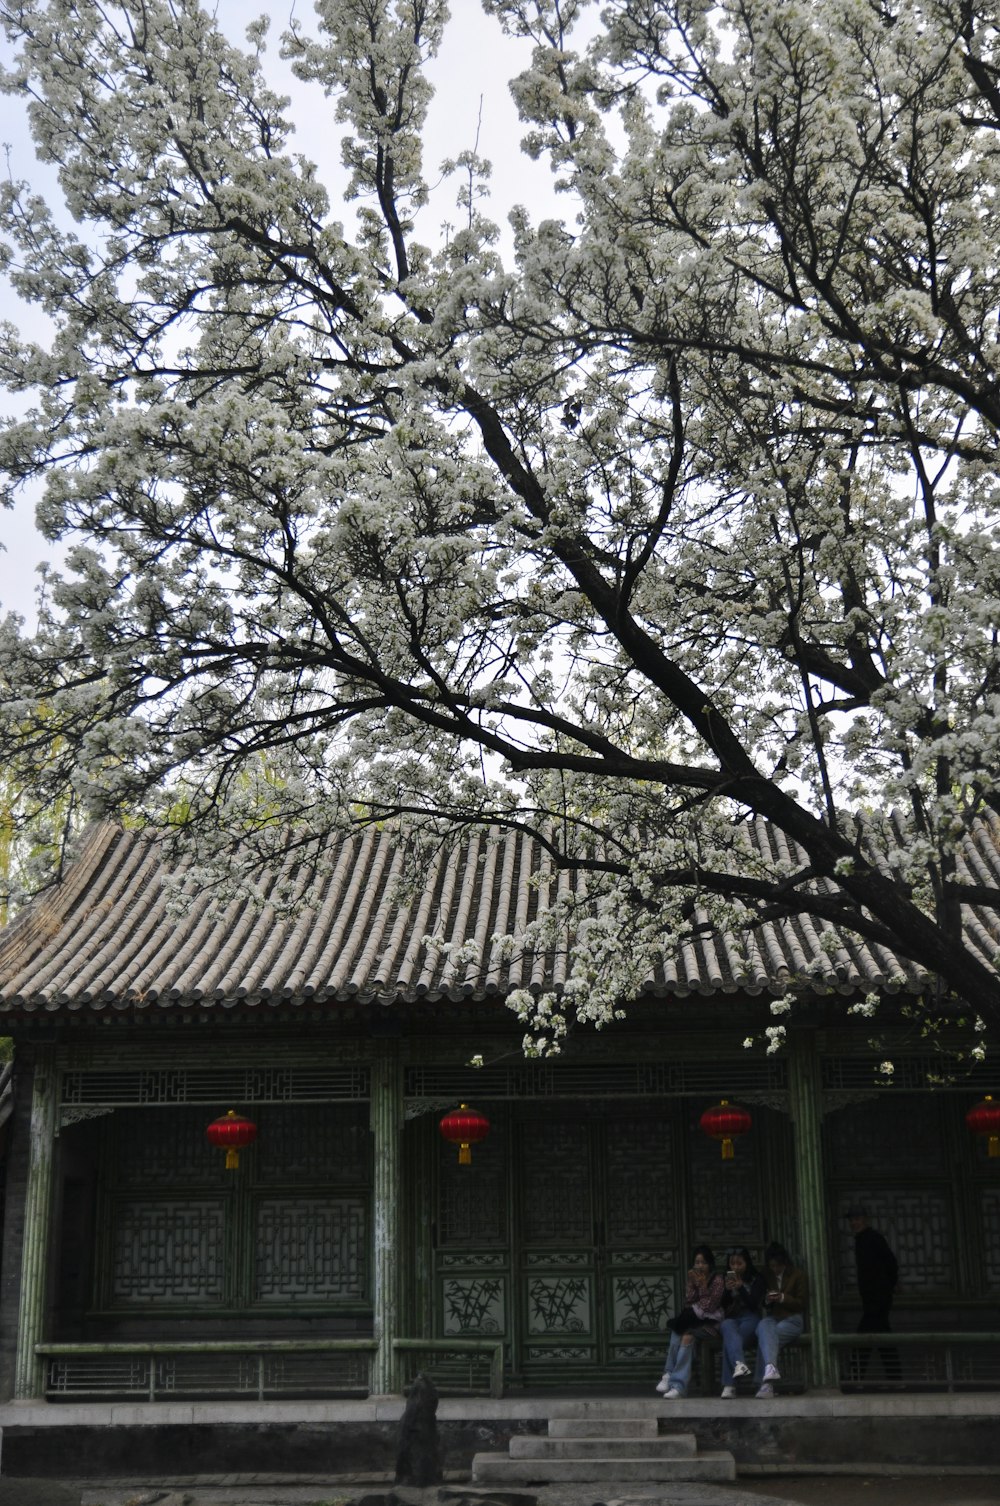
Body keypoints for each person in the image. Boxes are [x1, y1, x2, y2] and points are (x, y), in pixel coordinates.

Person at [655, 1244, 726, 1398]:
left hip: (711, 1324)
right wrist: (693, 1284)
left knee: (686, 1336)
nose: (700, 1266)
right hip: (695, 1320)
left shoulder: (718, 1280)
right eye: (697, 1262)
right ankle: (668, 1375)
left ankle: (678, 1385)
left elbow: (709, 1306)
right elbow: (689, 1301)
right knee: (676, 1331)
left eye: (703, 1263)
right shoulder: (693, 1278)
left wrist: (702, 1285)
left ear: (710, 1264)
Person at [847, 1204, 901, 1384]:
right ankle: (894, 1379)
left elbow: (890, 1263)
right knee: (882, 1338)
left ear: (865, 1219)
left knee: (865, 1337)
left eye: (857, 1218)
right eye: (852, 1220)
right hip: (872, 1299)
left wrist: (885, 1288)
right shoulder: (862, 1239)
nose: (854, 1223)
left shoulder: (873, 1239)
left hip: (878, 1299)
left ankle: (854, 1378)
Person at [753, 1241, 807, 1398]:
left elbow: (801, 1303)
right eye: (772, 1266)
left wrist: (783, 1298)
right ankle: (770, 1369)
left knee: (766, 1336)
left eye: (778, 1266)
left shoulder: (798, 1275)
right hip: (774, 1317)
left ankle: (765, 1385)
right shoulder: (767, 1275)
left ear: (785, 1263)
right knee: (763, 1325)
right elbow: (762, 1302)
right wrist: (768, 1300)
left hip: (792, 1319)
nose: (775, 1269)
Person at [719, 1247, 766, 1398]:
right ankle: (740, 1365)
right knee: (726, 1326)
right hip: (733, 1317)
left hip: (751, 1317)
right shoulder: (725, 1278)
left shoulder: (757, 1279)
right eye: (732, 1264)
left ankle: (729, 1385)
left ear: (747, 1263)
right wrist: (726, 1290)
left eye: (739, 1263)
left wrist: (741, 1289)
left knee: (730, 1341)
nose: (736, 1267)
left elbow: (754, 1304)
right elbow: (721, 1305)